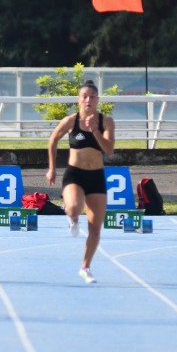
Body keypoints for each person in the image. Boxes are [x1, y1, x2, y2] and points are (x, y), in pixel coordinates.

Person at [45, 80, 115, 284]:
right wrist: (52, 168)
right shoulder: (71, 121)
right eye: (84, 96)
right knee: (74, 208)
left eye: (92, 97)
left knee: (95, 228)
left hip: (96, 177)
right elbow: (53, 140)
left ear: (98, 100)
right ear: (78, 100)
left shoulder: (106, 122)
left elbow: (109, 150)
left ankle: (85, 267)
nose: (88, 100)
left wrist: (95, 131)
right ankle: (73, 218)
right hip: (75, 174)